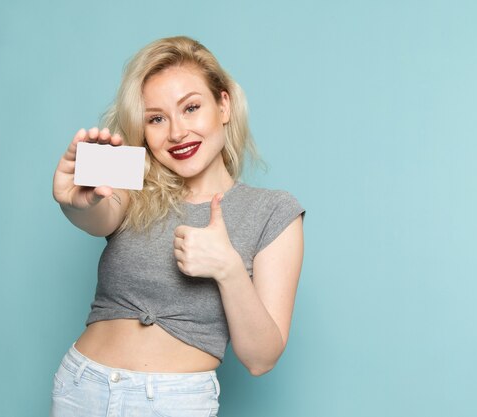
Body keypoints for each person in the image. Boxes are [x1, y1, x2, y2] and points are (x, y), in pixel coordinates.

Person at [50, 35, 306, 417]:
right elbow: (94, 215)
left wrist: (228, 269)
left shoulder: (273, 210)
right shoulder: (130, 176)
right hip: (82, 387)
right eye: (156, 118)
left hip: (173, 402)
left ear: (223, 105)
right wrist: (73, 202)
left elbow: (260, 359)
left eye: (190, 108)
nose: (176, 133)